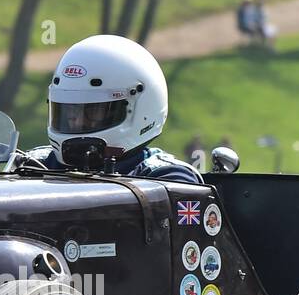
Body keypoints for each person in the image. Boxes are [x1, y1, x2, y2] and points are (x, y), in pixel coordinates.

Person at [24, 34, 201, 184]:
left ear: (141, 110)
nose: (76, 121)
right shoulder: (32, 164)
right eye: (69, 111)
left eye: (92, 113)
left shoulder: (167, 178)